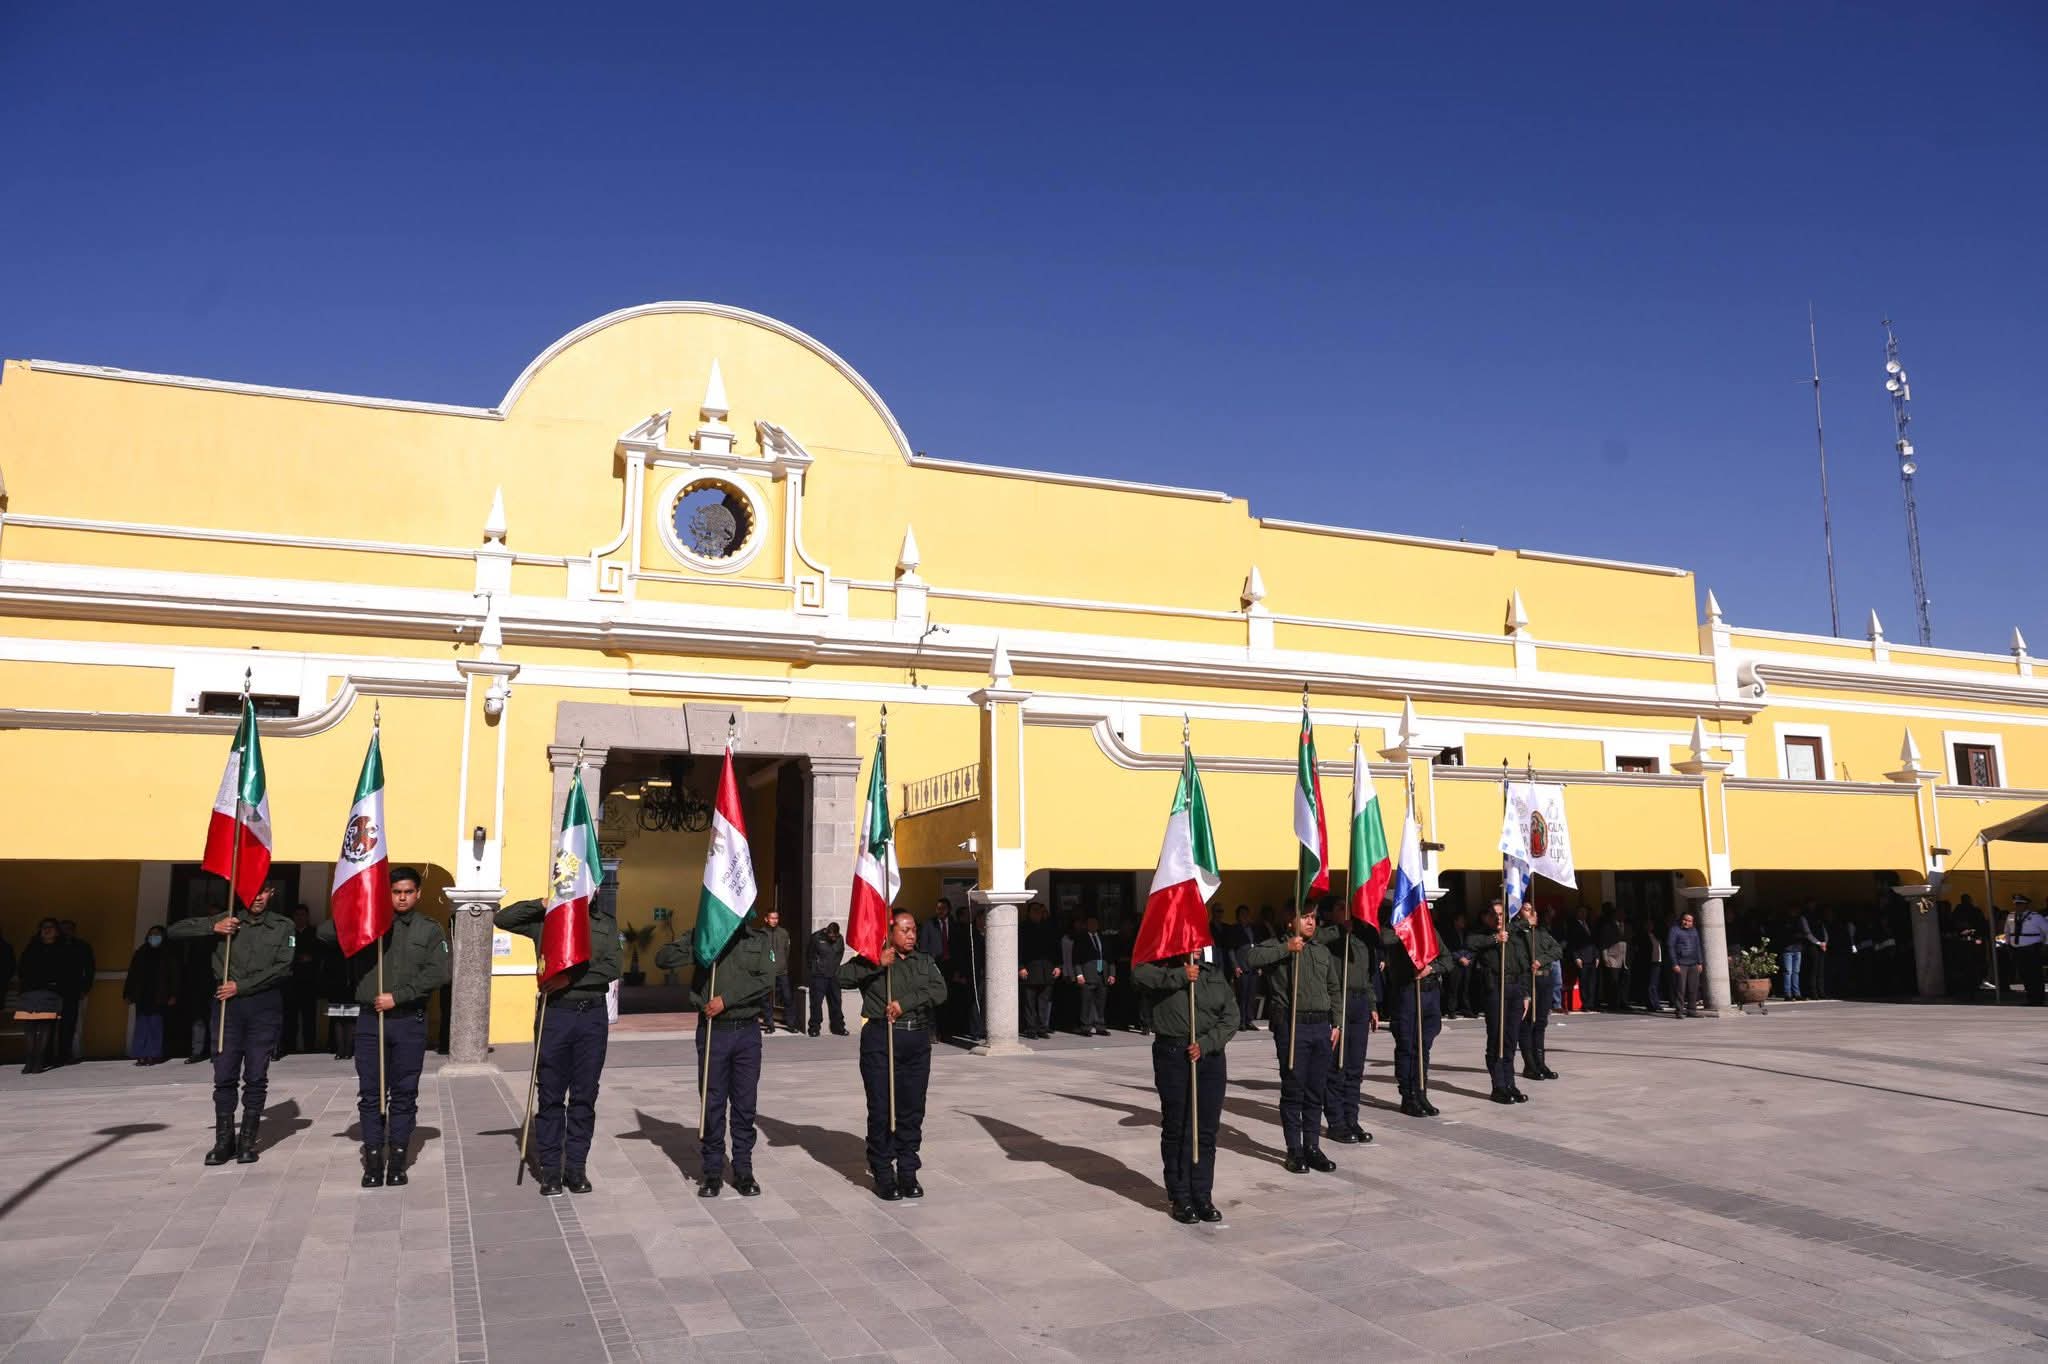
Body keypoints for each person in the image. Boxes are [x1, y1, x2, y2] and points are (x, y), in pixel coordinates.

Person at [320, 868, 449, 1188]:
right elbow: (325, 933)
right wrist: (363, 907)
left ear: (418, 894)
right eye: (395, 892)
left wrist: (399, 996)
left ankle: (398, 1161)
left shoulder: (429, 929)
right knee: (371, 1094)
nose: (402, 898)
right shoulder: (368, 922)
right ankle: (374, 1160)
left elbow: (440, 972)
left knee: (404, 1094)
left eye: (408, 892)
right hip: (370, 1022)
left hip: (408, 1022)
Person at [497, 887, 621, 1198]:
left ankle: (576, 1168)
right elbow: (503, 919)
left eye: (591, 885)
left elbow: (612, 966)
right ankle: (551, 1170)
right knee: (550, 1094)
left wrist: (570, 978)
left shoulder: (605, 923)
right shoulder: (547, 918)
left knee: (584, 1095)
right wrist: (541, 903)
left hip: (591, 1016)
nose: (586, 890)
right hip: (555, 1014)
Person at [167, 880, 298, 1165]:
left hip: (263, 1005)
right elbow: (174, 931)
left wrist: (242, 986)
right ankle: (223, 1140)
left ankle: (247, 1140)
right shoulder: (226, 918)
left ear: (271, 893)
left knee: (256, 1075)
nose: (258, 897)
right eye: (252, 891)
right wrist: (212, 927)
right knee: (224, 1073)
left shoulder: (283, 926)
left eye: (263, 891)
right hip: (228, 1007)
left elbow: (283, 968)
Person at [662, 910, 777, 1198]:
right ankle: (712, 1171)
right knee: (712, 1102)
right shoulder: (704, 935)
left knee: (744, 1104)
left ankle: (743, 1170)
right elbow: (663, 959)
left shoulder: (758, 940)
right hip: (714, 1032)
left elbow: (767, 979)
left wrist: (726, 1000)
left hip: (746, 1031)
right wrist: (701, 943)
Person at [839, 910, 947, 1200]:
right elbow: (841, 978)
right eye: (905, 930)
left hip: (916, 1040)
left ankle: (908, 1171)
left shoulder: (923, 961)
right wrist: (876, 962)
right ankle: (884, 1172)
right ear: (890, 933)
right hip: (881, 1039)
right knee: (881, 1109)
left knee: (912, 1109)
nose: (911, 935)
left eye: (914, 930)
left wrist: (905, 1003)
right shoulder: (872, 959)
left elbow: (939, 991)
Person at [1133, 943, 1235, 1223]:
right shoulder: (1160, 969)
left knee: (1206, 1130)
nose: (1197, 947)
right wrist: (1180, 975)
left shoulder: (1213, 974)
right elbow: (1137, 975)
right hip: (1174, 1054)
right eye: (1191, 941)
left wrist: (1207, 1043)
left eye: (1200, 941)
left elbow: (1231, 1017)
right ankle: (1180, 1196)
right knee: (1177, 1127)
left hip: (1210, 1055)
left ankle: (1202, 1194)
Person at [1245, 904, 1340, 1173]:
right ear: (1290, 921)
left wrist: (1338, 1022)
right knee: (1294, 1089)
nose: (1311, 922)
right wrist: (1286, 949)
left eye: (1314, 917)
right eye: (1305, 917)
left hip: (1320, 1026)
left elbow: (1333, 988)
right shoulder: (1276, 946)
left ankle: (1312, 1147)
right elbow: (1251, 959)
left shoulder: (1321, 950)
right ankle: (1294, 1150)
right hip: (1292, 1025)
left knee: (1315, 1090)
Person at [1321, 900, 1378, 1146]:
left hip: (1359, 1003)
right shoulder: (1328, 939)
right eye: (1340, 908)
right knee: (1337, 1066)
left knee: (1355, 1067)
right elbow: (1318, 938)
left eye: (1349, 909)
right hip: (1339, 1002)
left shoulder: (1359, 943)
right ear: (1332, 913)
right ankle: (1336, 1122)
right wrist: (1339, 930)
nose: (1347, 913)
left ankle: (1351, 1119)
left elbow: (1366, 978)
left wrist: (1372, 1005)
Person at [1381, 913, 1448, 1118]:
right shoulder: (1394, 931)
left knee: (1423, 1047)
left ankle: (1421, 1091)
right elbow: (1385, 939)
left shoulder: (1430, 931)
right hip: (1407, 992)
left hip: (1430, 993)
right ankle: (1408, 1096)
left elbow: (1448, 959)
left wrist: (1432, 968)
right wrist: (1407, 931)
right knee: (1407, 1045)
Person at [1468, 902, 1530, 1105]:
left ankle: (1510, 1083)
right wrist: (1495, 939)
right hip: (1495, 989)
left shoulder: (1513, 935)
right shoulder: (1481, 935)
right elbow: (1471, 943)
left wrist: (1526, 994)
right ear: (1486, 917)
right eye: (1494, 914)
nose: (1498, 918)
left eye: (1502, 914)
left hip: (1515, 988)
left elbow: (1522, 964)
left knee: (1511, 1039)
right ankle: (1499, 1086)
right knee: (1497, 1038)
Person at [16, 919, 67, 1074]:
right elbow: (22, 968)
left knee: (45, 1026)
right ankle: (29, 1060)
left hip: (50, 992)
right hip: (29, 991)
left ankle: (39, 1060)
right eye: (44, 927)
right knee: (29, 1027)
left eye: (51, 927)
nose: (47, 930)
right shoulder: (32, 947)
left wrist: (55, 983)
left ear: (57, 931)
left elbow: (66, 970)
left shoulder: (62, 949)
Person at [122, 924, 178, 1066]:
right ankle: (140, 1055)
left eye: (157, 934)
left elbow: (174, 976)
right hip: (142, 994)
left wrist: (173, 994)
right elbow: (132, 974)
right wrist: (128, 993)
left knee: (155, 1025)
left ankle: (153, 1055)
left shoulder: (168, 954)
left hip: (160, 995)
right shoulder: (141, 952)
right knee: (141, 1025)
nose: (154, 937)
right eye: (151, 934)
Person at [1519, 903, 1562, 1081]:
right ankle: (1529, 1064)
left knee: (1541, 1022)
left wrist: (1541, 960)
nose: (1532, 913)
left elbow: (1557, 950)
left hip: (1545, 979)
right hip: (1529, 980)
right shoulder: (1519, 934)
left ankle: (1540, 1062)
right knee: (1528, 1022)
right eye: (1527, 909)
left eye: (1533, 910)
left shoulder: (1541, 933)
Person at [282, 903, 321, 1058]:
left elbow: (320, 954)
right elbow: (287, 953)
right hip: (292, 981)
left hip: (309, 982)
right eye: (297, 915)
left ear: (307, 917)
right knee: (290, 1016)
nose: (300, 918)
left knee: (309, 1016)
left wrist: (311, 958)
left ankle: (309, 1047)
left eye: (303, 915)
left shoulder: (314, 933)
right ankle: (289, 1046)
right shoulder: (290, 933)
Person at [55, 919, 94, 1066]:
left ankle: (66, 1054)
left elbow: (89, 969)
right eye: (63, 929)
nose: (66, 932)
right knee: (50, 1024)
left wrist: (85, 988)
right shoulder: (53, 945)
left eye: (69, 929)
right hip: (52, 991)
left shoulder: (82, 946)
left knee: (69, 1024)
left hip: (73, 990)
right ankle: (48, 1054)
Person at [1018, 902, 1059, 1039]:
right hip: (1030, 970)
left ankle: (1042, 1027)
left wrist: (1058, 966)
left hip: (1047, 969)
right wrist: (1021, 967)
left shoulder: (1048, 927)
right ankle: (1031, 1028)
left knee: (1044, 1001)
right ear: (1029, 913)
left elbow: (1055, 948)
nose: (1038, 914)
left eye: (1040, 911)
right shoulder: (1023, 928)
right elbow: (1019, 949)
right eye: (1035, 911)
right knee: (1029, 1002)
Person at [1071, 915, 1114, 1037]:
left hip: (1102, 974)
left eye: (1095, 923)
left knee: (1101, 1002)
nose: (1093, 926)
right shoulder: (1081, 939)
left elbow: (1110, 958)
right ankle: (1086, 1026)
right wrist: (1079, 974)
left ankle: (1100, 1026)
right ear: (1086, 925)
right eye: (1090, 923)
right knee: (1087, 1002)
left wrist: (1112, 974)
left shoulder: (1103, 939)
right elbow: (1076, 958)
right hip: (1087, 974)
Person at [2001, 895, 2047, 1006]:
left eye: (2020, 904)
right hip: (2017, 949)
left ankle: (2038, 999)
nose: (2018, 906)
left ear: (2026, 905)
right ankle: (2030, 998)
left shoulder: (2036, 917)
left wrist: (2046, 945)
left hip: (2032, 949)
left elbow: (2047, 930)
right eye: (2016, 904)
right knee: (2024, 975)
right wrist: (2007, 944)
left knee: (2034, 975)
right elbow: (2007, 931)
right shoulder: (2011, 916)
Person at [322, 929, 360, 1060]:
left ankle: (347, 1050)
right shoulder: (333, 949)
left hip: (351, 988)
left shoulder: (356, 948)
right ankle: (341, 1050)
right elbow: (327, 969)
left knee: (349, 1019)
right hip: (337, 987)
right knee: (339, 1019)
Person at [807, 920, 849, 1036]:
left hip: (833, 976)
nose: (833, 938)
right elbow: (809, 955)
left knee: (836, 1002)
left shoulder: (840, 939)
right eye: (831, 936)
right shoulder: (816, 937)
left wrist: (835, 967)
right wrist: (815, 969)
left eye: (835, 936)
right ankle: (814, 1028)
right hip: (819, 976)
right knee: (816, 1003)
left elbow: (840, 953)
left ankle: (838, 1027)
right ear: (827, 932)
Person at [759, 906, 793, 1035]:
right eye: (772, 918)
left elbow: (787, 951)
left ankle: (790, 1024)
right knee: (765, 999)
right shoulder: (761, 934)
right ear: (766, 919)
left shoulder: (783, 933)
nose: (774, 920)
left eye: (776, 918)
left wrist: (782, 963)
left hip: (781, 971)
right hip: (767, 972)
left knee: (787, 997)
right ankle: (769, 1024)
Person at [1666, 910, 1704, 1017]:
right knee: (1680, 988)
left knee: (1693, 988)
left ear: (1692, 922)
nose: (1686, 922)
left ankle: (1692, 1010)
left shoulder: (1694, 931)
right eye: (1684, 920)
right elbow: (1670, 947)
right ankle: (1679, 1011)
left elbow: (1698, 947)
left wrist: (1700, 962)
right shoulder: (1674, 930)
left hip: (1693, 963)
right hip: (1681, 963)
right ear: (1681, 919)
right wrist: (1674, 963)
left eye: (1689, 921)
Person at [1595, 904, 1629, 1011]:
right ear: (1615, 914)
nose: (1622, 915)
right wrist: (1605, 957)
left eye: (1624, 914)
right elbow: (1603, 943)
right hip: (1613, 957)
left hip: (1625, 958)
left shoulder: (1627, 926)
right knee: (1613, 981)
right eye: (1620, 913)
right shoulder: (1607, 926)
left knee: (1624, 982)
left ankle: (1623, 1002)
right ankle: (1613, 1003)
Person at [1565, 905, 1598, 1011]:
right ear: (1577, 913)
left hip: (1592, 957)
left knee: (1592, 983)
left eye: (1585, 912)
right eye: (1581, 912)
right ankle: (1585, 1004)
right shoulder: (1573, 926)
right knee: (1583, 982)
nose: (1584, 914)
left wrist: (1597, 956)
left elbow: (1594, 942)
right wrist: (1576, 957)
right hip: (1582, 958)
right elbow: (1572, 943)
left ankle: (1591, 1003)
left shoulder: (1590, 925)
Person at [1444, 911, 1475, 1018]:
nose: (1463, 923)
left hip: (1467, 963)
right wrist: (1459, 958)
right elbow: (1448, 949)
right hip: (1455, 964)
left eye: (1464, 920)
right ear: (1456, 921)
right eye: (1461, 921)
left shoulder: (1468, 933)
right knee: (1453, 987)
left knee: (1466, 987)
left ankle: (1466, 1009)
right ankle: (1451, 1010)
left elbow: (1472, 946)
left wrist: (1468, 957)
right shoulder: (1449, 933)